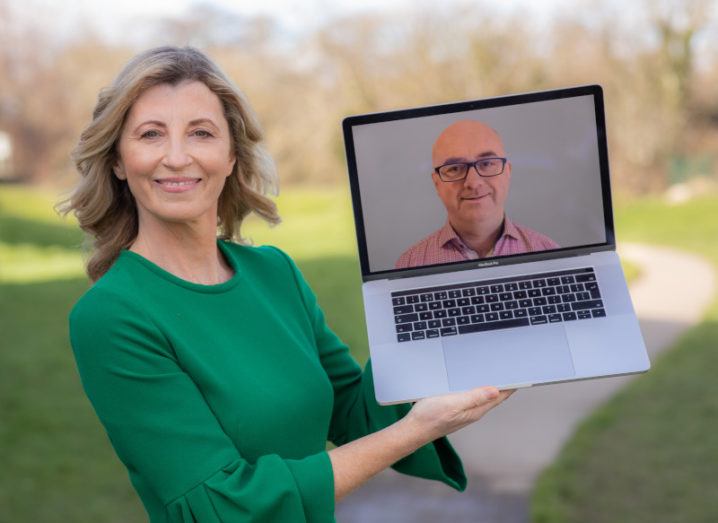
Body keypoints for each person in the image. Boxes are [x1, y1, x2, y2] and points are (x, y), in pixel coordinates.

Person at [62, 46, 513, 522]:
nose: (177, 157)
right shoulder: (112, 316)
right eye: (151, 134)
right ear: (117, 160)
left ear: (232, 155)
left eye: (201, 133)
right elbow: (223, 503)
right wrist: (416, 430)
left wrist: (446, 309)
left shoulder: (274, 272)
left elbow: (356, 411)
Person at [395, 120, 559, 269]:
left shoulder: (550, 255)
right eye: (455, 168)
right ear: (437, 183)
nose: (473, 183)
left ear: (508, 172)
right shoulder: (409, 265)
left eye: (487, 163)